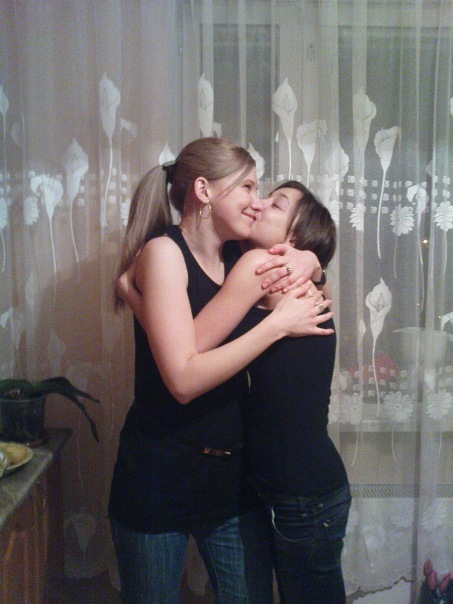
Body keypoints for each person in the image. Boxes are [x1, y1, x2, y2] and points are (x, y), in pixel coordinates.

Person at [109, 138, 334, 604]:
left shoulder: (239, 255)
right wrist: (275, 326)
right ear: (204, 190)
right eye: (247, 187)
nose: (257, 201)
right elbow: (183, 378)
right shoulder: (165, 252)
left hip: (231, 480)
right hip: (159, 477)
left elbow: (308, 287)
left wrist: (312, 261)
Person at [194, 180, 351, 604]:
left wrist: (135, 297)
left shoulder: (261, 265)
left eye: (276, 204)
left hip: (302, 496)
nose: (259, 204)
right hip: (304, 490)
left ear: (294, 237)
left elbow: (189, 347)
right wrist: (314, 264)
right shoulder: (298, 276)